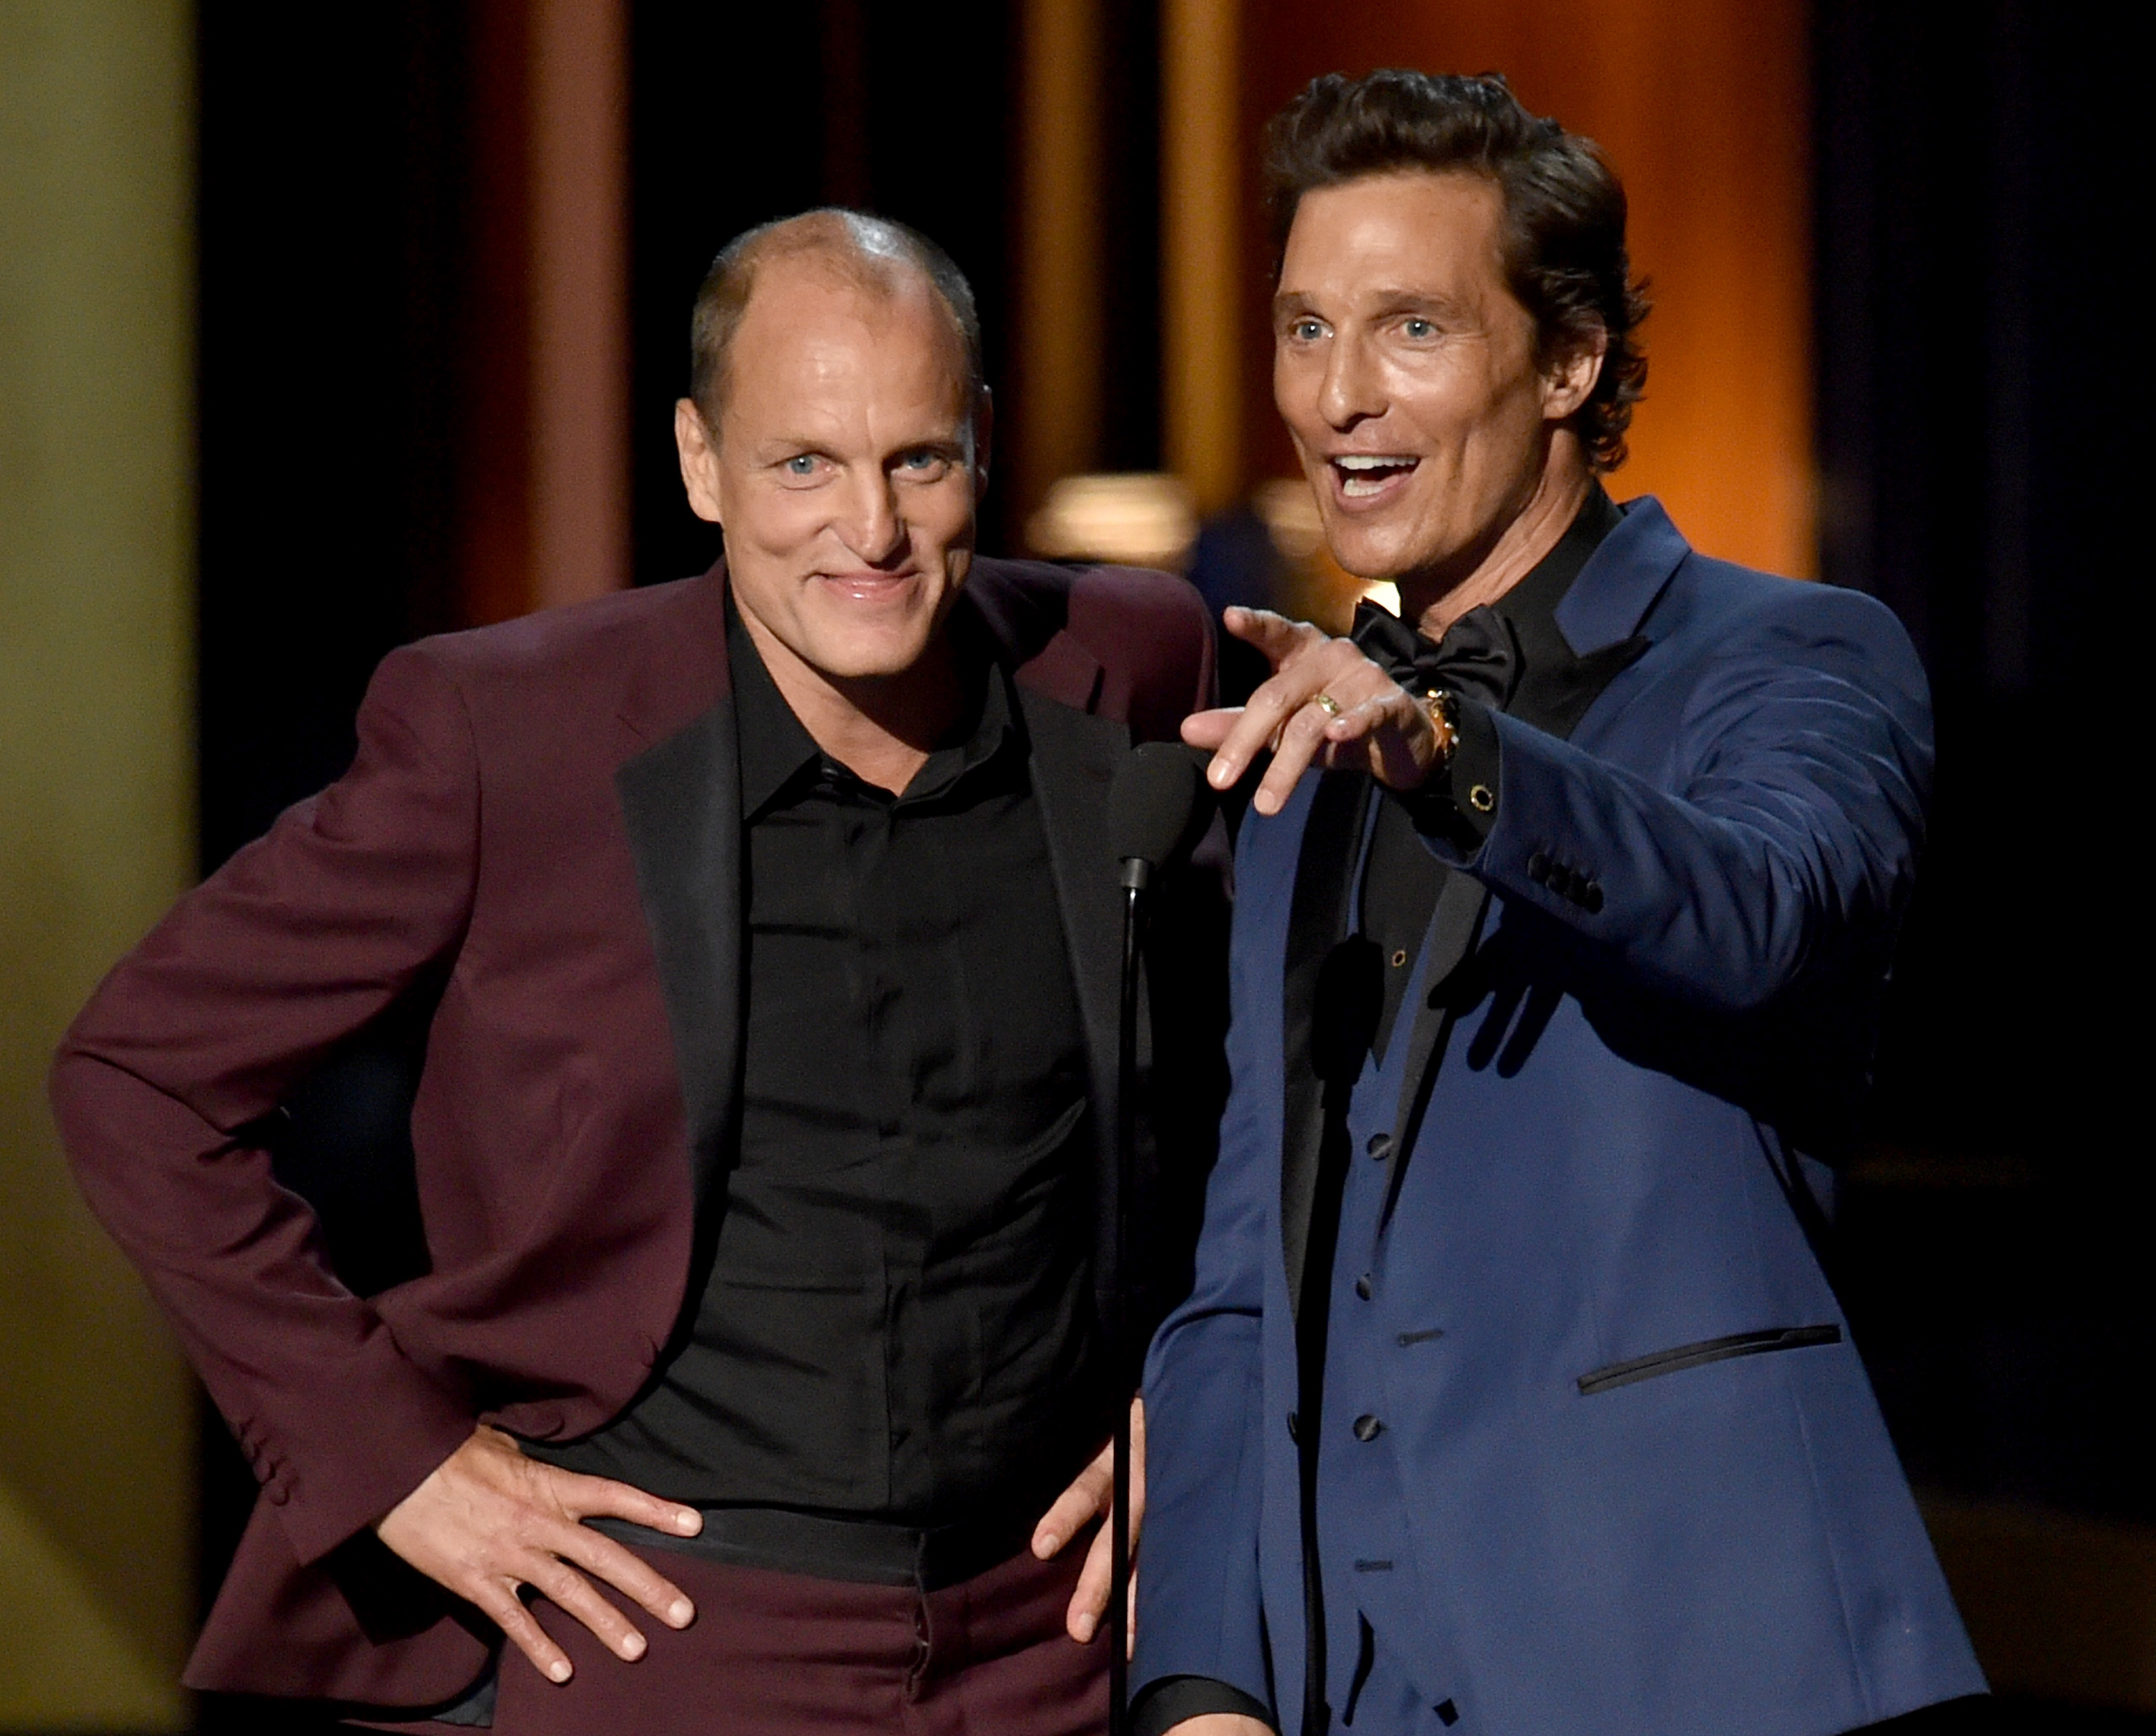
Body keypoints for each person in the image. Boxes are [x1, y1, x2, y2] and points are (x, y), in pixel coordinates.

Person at [52, 209, 1225, 1733]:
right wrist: (390, 1456)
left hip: (1052, 1637)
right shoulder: (508, 734)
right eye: (802, 463)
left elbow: (1272, 1085)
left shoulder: (1128, 660)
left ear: (984, 445)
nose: (869, 528)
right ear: (699, 462)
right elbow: (137, 1076)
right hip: (658, 1624)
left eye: (918, 460)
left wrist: (1200, 1397)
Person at [1133, 71, 1985, 1736]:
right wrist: (1205, 1680)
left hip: (1695, 1665)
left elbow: (1761, 907)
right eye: (1305, 329)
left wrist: (1453, 756)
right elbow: (1242, 1279)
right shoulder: (1305, 757)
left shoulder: (1793, 650)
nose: (1339, 395)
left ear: (1570, 361)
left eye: (1412, 329)